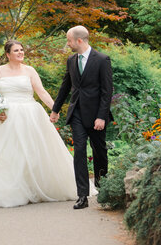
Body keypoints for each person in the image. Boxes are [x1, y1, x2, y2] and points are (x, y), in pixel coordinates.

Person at [0, 39, 78, 207]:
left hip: (29, 115)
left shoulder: (30, 70)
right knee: (8, 153)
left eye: (21, 49)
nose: (20, 52)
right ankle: (10, 191)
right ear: (8, 54)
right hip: (5, 117)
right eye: (16, 50)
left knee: (32, 151)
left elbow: (41, 92)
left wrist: (54, 109)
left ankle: (36, 187)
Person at [50, 26, 113, 210]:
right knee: (79, 151)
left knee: (99, 152)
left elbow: (106, 91)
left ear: (79, 41)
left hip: (96, 116)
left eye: (69, 40)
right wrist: (55, 110)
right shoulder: (71, 60)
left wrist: (101, 116)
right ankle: (82, 196)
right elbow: (65, 87)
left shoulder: (102, 60)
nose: (67, 44)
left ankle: (103, 190)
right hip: (76, 112)